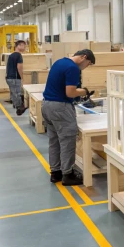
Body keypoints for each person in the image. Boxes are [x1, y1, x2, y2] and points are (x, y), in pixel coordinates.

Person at [42, 49, 95, 186]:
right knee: (67, 140)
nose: (86, 67)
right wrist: (84, 91)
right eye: (88, 64)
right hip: (60, 108)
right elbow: (70, 92)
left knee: (54, 140)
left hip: (47, 105)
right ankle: (67, 174)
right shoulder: (73, 68)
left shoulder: (60, 62)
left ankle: (56, 172)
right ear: (84, 57)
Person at [6, 40, 27, 116]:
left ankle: (15, 105)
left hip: (9, 77)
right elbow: (19, 67)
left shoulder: (11, 55)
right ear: (19, 46)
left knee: (13, 92)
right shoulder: (18, 55)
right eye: (24, 46)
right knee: (17, 93)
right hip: (14, 77)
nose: (25, 47)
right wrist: (22, 77)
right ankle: (19, 108)